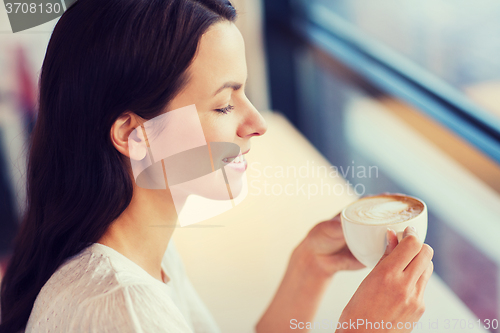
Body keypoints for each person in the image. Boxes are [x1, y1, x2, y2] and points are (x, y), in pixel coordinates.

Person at [0, 0, 434, 332]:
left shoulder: (146, 253)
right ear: (134, 134)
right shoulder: (119, 308)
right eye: (225, 105)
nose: (257, 124)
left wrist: (308, 269)